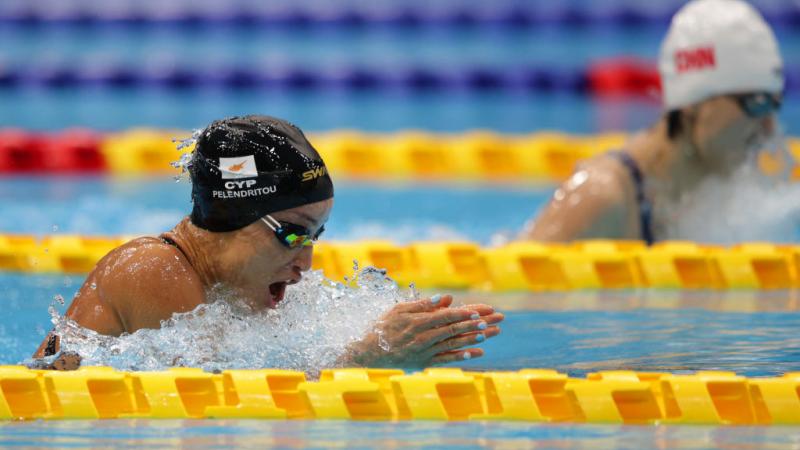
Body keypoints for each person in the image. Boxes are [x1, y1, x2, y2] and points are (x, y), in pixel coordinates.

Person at [34, 115, 503, 369]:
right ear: (234, 215)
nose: (306, 262)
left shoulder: (225, 289)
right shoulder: (155, 268)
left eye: (316, 236)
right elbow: (212, 408)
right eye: (294, 234)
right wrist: (367, 358)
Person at [521, 0, 784, 243]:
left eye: (774, 106)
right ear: (696, 102)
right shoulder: (602, 196)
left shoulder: (716, 192)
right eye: (756, 103)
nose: (769, 128)